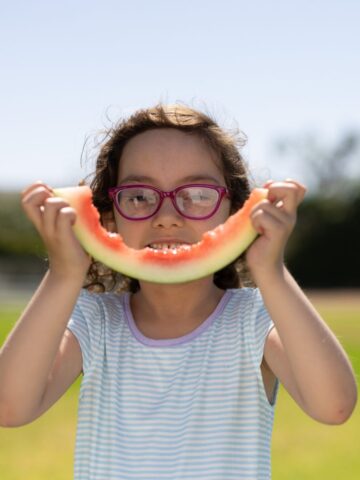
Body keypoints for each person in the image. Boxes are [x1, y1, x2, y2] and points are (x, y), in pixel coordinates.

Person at [0, 104, 357, 480]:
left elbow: (333, 406)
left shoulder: (253, 319)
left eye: (198, 194)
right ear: (108, 217)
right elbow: (9, 407)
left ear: (237, 213)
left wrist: (271, 271)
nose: (167, 215)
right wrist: (62, 275)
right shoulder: (96, 321)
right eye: (139, 196)